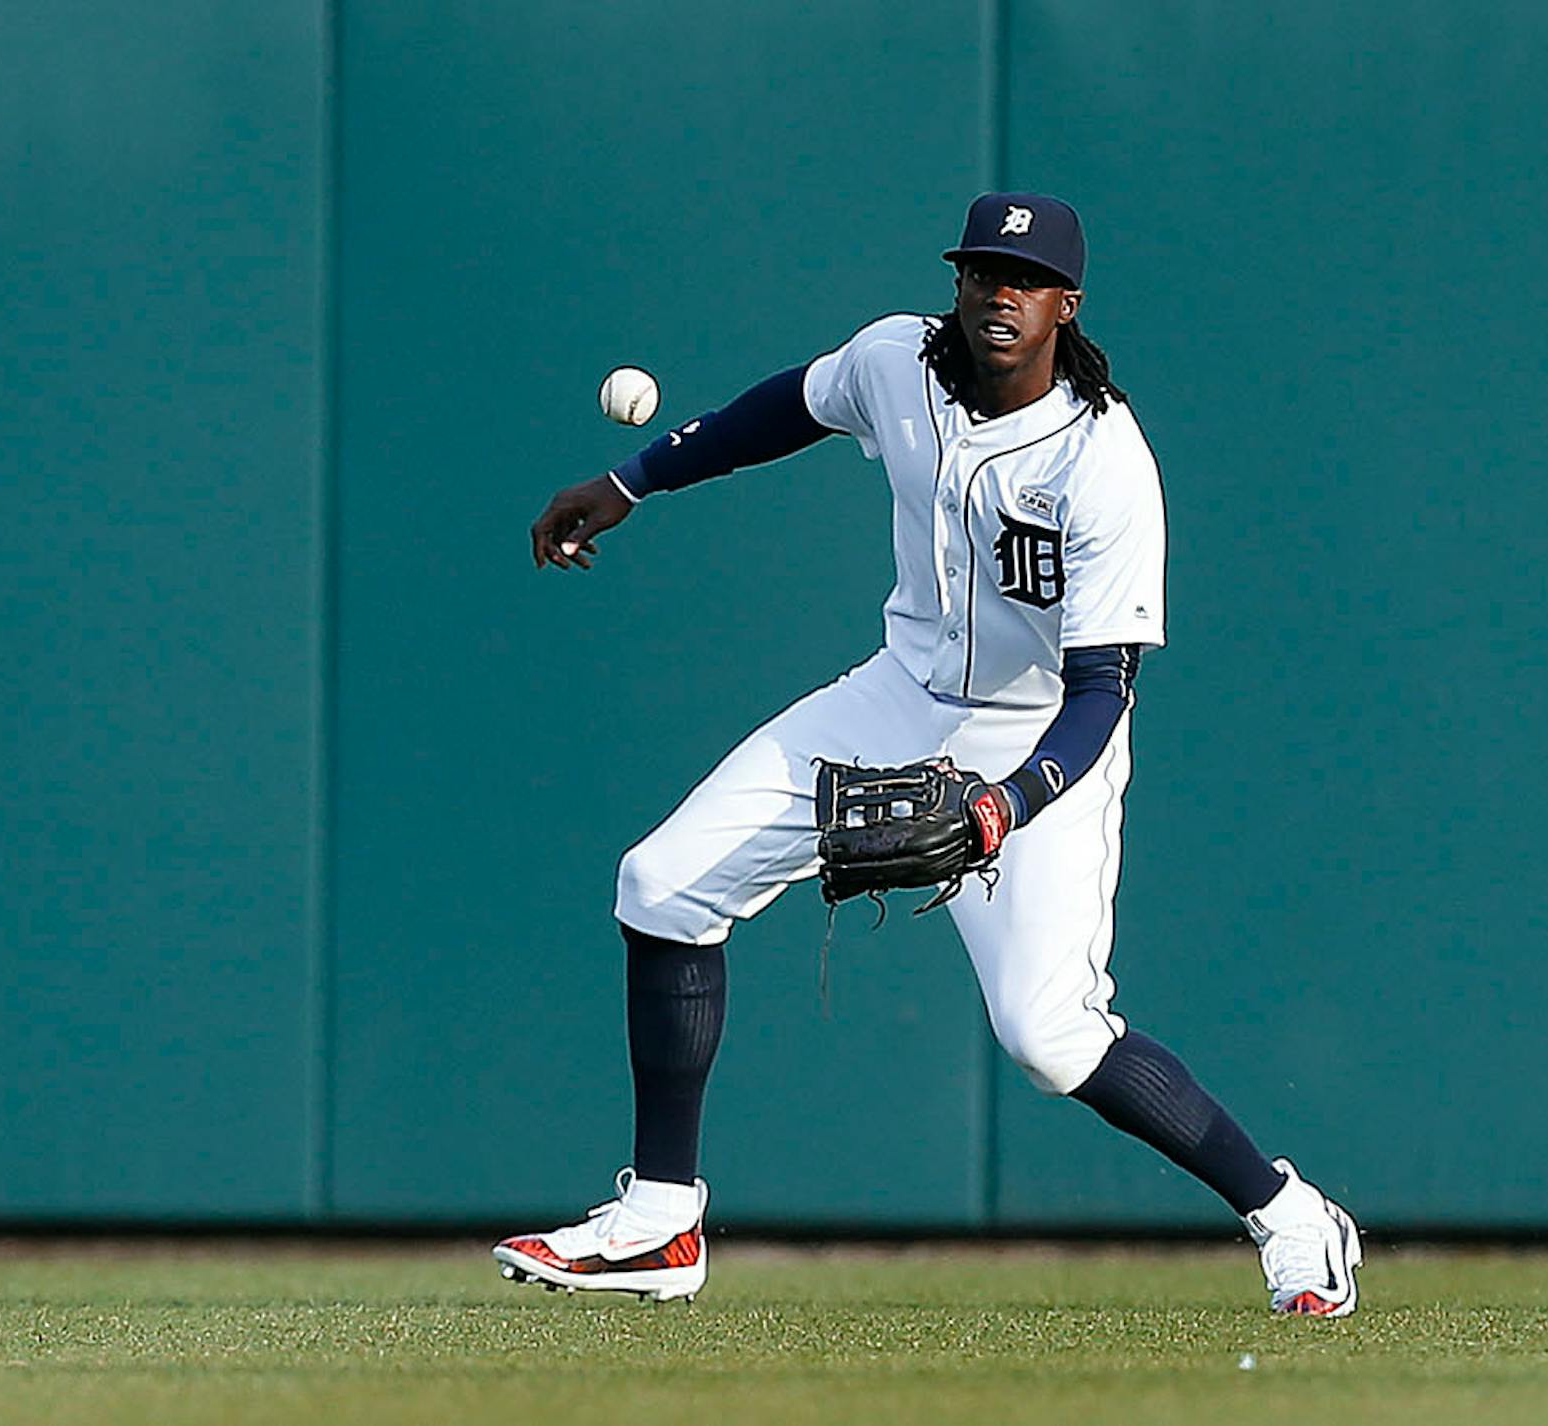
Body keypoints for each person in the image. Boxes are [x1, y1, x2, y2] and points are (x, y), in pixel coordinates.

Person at [496, 193, 1362, 1317]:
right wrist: (630, 482)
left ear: (1066, 306)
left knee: (1049, 1036)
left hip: (1036, 729)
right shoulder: (893, 360)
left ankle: (1291, 1214)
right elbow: (784, 410)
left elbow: (1103, 693)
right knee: (660, 885)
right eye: (981, 270)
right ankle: (662, 1222)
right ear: (956, 281)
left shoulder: (1104, 463)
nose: (1000, 293)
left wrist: (1005, 807)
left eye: (1027, 278)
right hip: (898, 696)